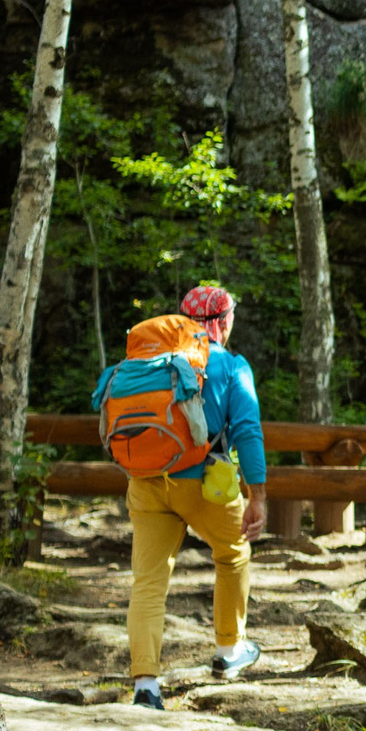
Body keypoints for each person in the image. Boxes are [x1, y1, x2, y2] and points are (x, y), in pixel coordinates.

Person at [118, 285, 269, 708]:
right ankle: (229, 650)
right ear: (223, 322)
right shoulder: (230, 365)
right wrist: (258, 495)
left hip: (146, 481)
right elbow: (248, 432)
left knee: (148, 581)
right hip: (205, 483)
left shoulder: (148, 362)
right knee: (233, 551)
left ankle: (145, 685)